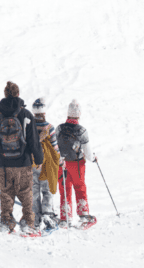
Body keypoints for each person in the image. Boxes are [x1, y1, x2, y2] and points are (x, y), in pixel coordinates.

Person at [0, 81, 43, 234]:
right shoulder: (25, 115)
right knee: (26, 194)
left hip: (4, 164)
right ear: (18, 94)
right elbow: (34, 140)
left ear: (5, 94)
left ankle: (6, 222)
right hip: (23, 163)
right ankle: (28, 224)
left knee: (6, 194)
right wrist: (38, 159)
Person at [56, 99, 97, 227]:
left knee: (64, 189)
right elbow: (88, 153)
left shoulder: (59, 128)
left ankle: (65, 218)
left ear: (68, 113)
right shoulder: (81, 131)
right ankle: (84, 215)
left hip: (62, 163)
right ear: (79, 114)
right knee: (79, 188)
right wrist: (94, 158)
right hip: (77, 164)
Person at [31, 96, 62, 229]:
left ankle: (35, 218)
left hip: (32, 163)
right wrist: (60, 160)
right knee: (47, 190)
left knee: (34, 190)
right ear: (44, 112)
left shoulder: (28, 126)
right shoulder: (49, 127)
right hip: (47, 164)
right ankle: (47, 215)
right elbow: (55, 147)